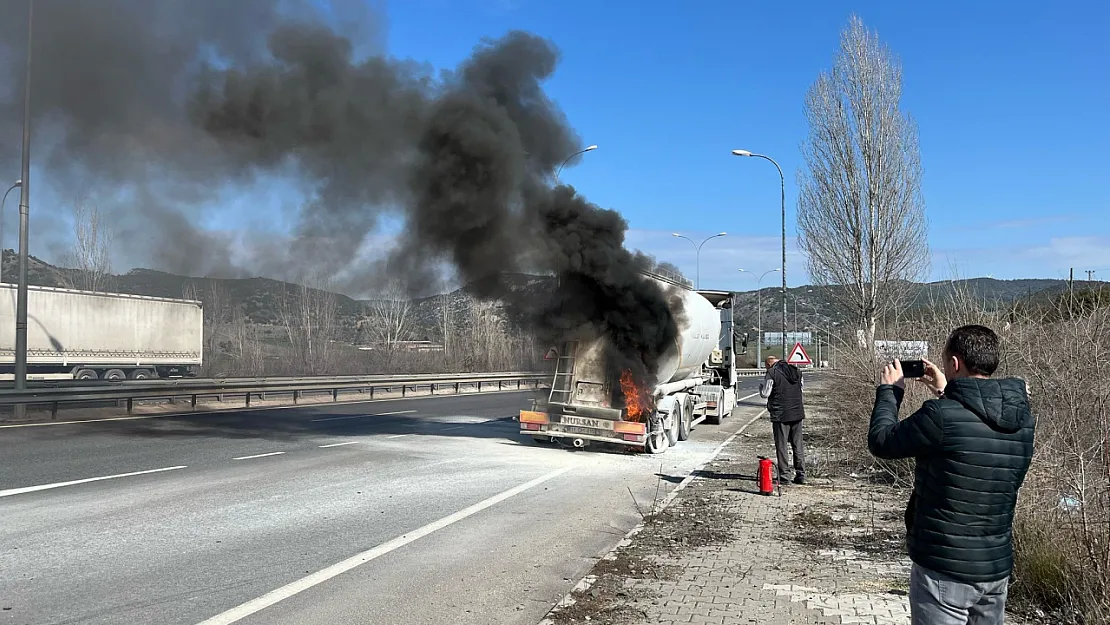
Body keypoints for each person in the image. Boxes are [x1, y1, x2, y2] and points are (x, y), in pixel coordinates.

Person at [868, 325, 1035, 625]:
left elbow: (882, 441)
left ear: (954, 363)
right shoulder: (1022, 419)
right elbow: (977, 427)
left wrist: (889, 391)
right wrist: (946, 390)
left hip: (944, 567)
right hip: (995, 569)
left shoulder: (940, 417)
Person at [760, 355, 806, 486]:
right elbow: (801, 389)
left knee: (782, 446)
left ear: (769, 365)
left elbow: (765, 393)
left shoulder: (772, 373)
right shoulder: (796, 371)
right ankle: (801, 474)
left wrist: (760, 388)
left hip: (781, 415)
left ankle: (785, 476)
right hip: (797, 413)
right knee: (798, 445)